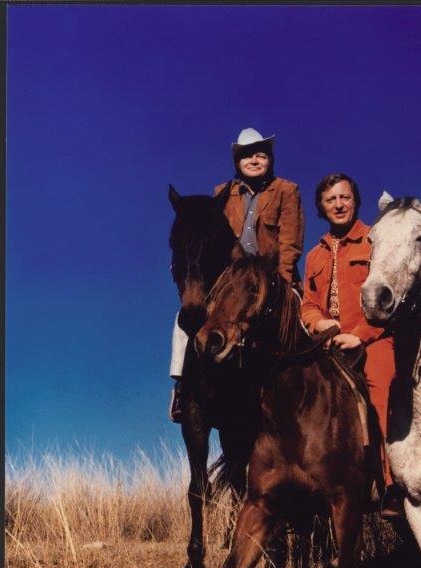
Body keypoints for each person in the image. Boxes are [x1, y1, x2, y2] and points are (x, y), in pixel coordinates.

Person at [169, 127, 305, 420]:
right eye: (247, 156)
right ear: (237, 162)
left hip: (271, 275)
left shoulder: (286, 190)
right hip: (231, 278)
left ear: (269, 159)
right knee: (188, 316)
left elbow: (290, 242)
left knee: (303, 320)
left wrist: (281, 281)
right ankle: (182, 388)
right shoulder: (222, 193)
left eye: (261, 155)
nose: (254, 160)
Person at [300, 172, 402, 517]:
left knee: (380, 392)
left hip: (373, 338)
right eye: (331, 200)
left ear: (355, 201)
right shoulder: (314, 255)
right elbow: (308, 303)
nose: (339, 204)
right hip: (327, 344)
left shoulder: (375, 239)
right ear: (321, 207)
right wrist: (319, 323)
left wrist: (358, 333)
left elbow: (389, 297)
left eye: (345, 197)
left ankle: (392, 486)